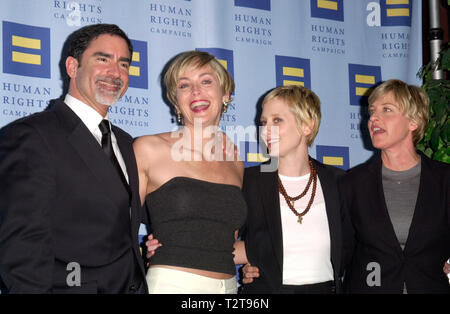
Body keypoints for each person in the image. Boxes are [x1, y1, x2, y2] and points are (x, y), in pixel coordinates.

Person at [0, 24, 146, 293]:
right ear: (72, 67)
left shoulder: (127, 143)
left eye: (123, 64)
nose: (115, 73)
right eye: (103, 59)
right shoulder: (31, 136)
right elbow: (23, 248)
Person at [133, 50, 247, 294]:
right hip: (172, 285)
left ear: (225, 94)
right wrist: (142, 252)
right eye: (184, 85)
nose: (196, 91)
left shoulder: (234, 159)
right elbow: (117, 229)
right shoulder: (148, 149)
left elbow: (225, 240)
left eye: (206, 81)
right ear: (175, 102)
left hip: (229, 287)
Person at [339, 79, 450, 293]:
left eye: (387, 109)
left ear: (414, 121)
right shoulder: (352, 184)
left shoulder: (444, 180)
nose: (373, 119)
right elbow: (340, 254)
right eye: (372, 112)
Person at [239, 85, 346, 294]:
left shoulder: (339, 183)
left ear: (307, 125)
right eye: (263, 122)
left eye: (277, 120)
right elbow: (220, 243)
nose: (266, 130)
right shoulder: (249, 182)